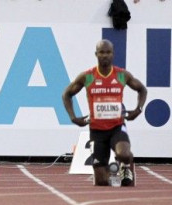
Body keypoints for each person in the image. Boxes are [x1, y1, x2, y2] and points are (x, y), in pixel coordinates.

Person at [62, 39, 147, 186]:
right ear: (96, 54)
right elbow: (67, 94)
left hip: (117, 126)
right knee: (101, 181)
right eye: (102, 52)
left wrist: (138, 109)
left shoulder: (122, 75)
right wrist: (73, 117)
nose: (105, 55)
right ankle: (112, 171)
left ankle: (125, 165)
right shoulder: (87, 76)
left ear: (113, 54)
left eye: (108, 52)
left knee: (123, 154)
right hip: (97, 130)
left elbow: (142, 89)